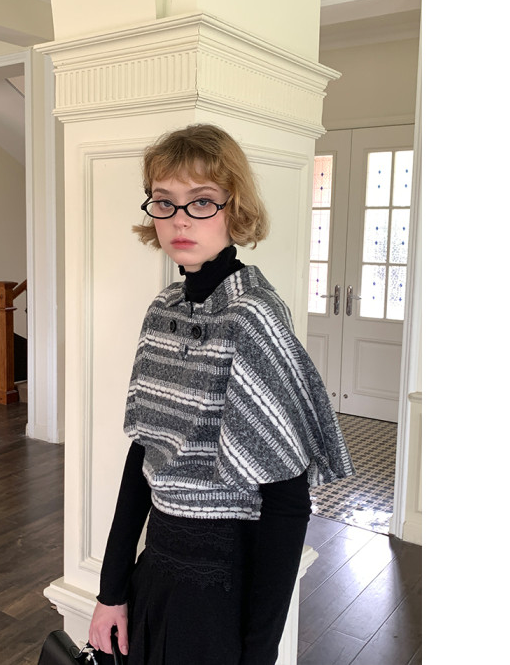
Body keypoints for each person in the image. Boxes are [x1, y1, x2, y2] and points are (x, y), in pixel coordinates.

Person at [88, 124, 354, 665]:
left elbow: (287, 498)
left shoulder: (251, 316)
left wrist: (258, 653)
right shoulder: (164, 309)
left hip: (219, 591)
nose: (180, 219)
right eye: (165, 201)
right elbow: (144, 453)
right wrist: (111, 591)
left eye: (202, 201)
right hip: (155, 568)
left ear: (235, 208)